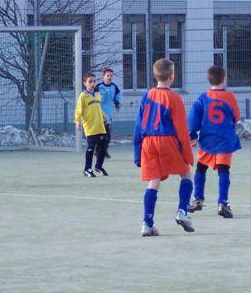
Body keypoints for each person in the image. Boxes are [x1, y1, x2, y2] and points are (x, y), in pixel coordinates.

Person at [133, 58, 195, 236]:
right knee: (186, 174)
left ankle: (147, 224)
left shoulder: (148, 95)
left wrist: (137, 153)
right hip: (167, 140)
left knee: (154, 181)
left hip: (148, 142)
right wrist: (188, 155)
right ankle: (182, 212)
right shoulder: (174, 98)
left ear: (155, 75)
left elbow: (138, 125)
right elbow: (181, 129)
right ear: (172, 76)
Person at [187, 66, 241, 219]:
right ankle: (223, 203)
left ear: (208, 80)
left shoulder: (203, 98)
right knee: (223, 170)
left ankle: (198, 199)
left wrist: (192, 134)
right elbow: (236, 117)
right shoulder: (230, 97)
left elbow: (193, 118)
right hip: (225, 140)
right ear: (224, 79)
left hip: (207, 140)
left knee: (201, 169)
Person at [74, 72, 109, 177]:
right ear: (85, 83)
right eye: (90, 82)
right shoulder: (83, 96)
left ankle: (99, 166)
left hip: (100, 126)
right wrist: (77, 121)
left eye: (94, 81)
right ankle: (87, 169)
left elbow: (98, 108)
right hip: (90, 128)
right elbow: (79, 110)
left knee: (103, 147)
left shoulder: (97, 95)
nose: (92, 83)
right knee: (91, 148)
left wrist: (104, 116)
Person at [95, 68, 121, 159]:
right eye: (108, 75)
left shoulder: (114, 87)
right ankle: (100, 151)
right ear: (104, 76)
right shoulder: (99, 87)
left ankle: (101, 151)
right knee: (104, 135)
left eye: (111, 76)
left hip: (108, 115)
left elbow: (117, 96)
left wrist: (117, 103)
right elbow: (96, 101)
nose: (109, 77)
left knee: (106, 137)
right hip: (100, 114)